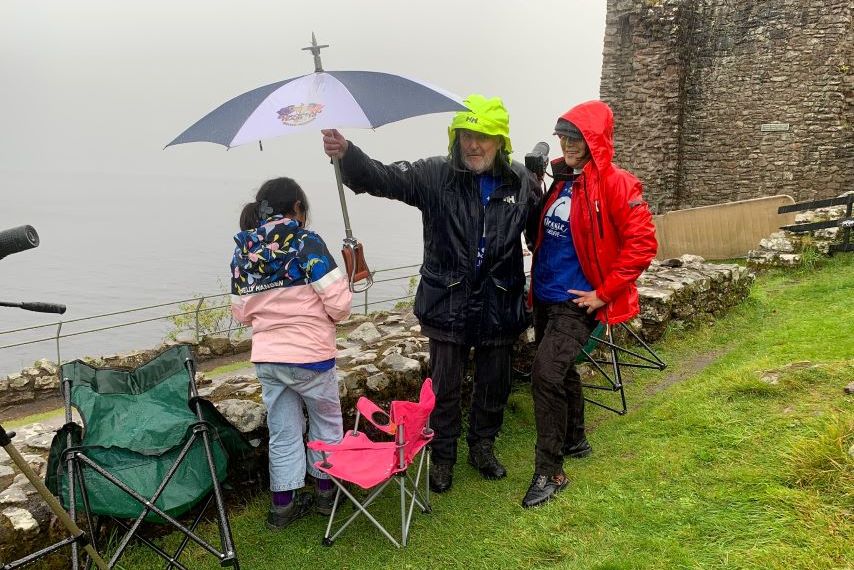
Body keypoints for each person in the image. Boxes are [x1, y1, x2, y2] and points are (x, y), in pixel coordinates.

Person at [321, 94, 539, 493]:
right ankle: (443, 457)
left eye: (483, 136)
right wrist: (347, 153)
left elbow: (540, 235)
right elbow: (381, 178)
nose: (473, 144)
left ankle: (483, 446)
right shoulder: (434, 174)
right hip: (448, 303)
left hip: (500, 302)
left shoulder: (522, 181)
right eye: (465, 135)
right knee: (445, 388)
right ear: (454, 137)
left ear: (501, 141)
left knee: (494, 382)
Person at [521, 100, 658, 508]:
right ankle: (576, 438)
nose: (567, 143)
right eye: (563, 135)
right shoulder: (562, 179)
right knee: (561, 372)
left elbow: (643, 244)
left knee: (544, 374)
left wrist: (604, 293)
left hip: (579, 301)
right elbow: (542, 233)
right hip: (545, 294)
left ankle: (550, 471)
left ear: (595, 139)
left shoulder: (619, 184)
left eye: (576, 137)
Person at [230, 177, 353, 529]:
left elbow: (241, 312)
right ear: (297, 208)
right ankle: (326, 495)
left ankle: (282, 506)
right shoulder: (306, 242)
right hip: (311, 355)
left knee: (283, 431)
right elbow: (340, 304)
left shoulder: (244, 250)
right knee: (326, 424)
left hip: (268, 357)